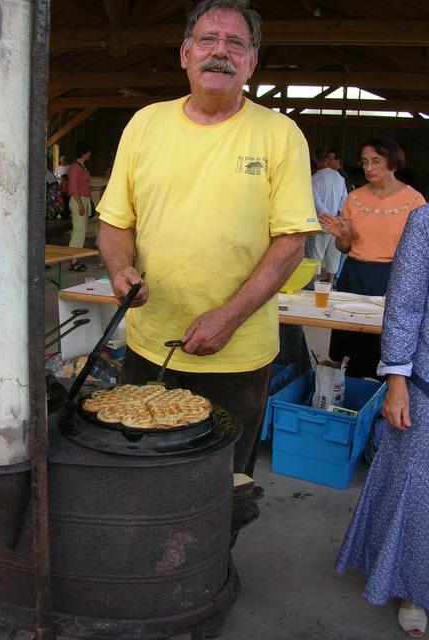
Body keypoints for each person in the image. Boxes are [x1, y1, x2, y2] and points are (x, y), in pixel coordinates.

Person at [97, 0, 320, 479]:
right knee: (137, 476)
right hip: (149, 345)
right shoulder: (144, 125)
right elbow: (116, 222)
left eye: (236, 43)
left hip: (237, 356)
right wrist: (119, 270)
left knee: (223, 485)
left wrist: (228, 318)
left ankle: (213, 557)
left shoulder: (281, 135)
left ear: (252, 62)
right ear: (185, 54)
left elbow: (290, 245)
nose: (221, 52)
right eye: (208, 40)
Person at [336, 204, 429, 639]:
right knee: (416, 491)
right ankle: (413, 588)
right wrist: (396, 381)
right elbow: (405, 305)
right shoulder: (426, 221)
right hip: (425, 384)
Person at [320, 137, 425, 378]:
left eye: (376, 161)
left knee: (386, 341)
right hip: (355, 274)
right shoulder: (354, 198)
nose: (369, 168)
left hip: (394, 277)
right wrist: (343, 235)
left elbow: (419, 252)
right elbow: (344, 247)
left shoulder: (414, 201)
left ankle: (383, 395)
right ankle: (347, 395)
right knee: (348, 344)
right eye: (365, 162)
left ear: (393, 163)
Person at [306, 147, 347, 283]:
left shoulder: (315, 178)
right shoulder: (339, 177)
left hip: (322, 222)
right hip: (336, 222)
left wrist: (326, 215)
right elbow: (344, 198)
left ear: (315, 159)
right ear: (328, 159)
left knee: (316, 253)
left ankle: (315, 281)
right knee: (333, 254)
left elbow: (314, 199)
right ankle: (330, 282)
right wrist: (335, 215)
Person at [67, 142, 92, 271]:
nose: (90, 154)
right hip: (79, 201)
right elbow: (73, 187)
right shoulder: (75, 167)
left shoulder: (82, 166)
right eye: (88, 152)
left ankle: (75, 259)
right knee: (78, 231)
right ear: (83, 152)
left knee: (81, 231)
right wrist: (80, 204)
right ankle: (73, 261)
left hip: (84, 200)